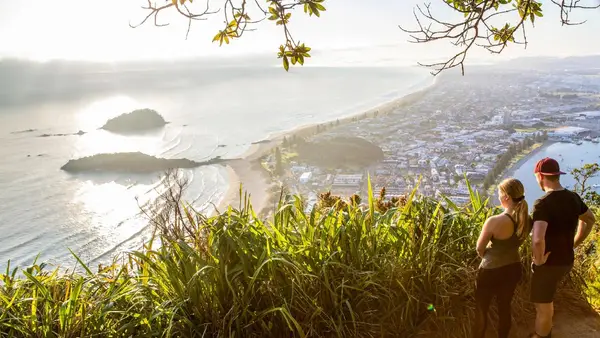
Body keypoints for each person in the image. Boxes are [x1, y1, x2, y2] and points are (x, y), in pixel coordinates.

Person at [530, 158, 597, 338]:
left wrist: (538, 261)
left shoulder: (542, 204)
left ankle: (541, 335)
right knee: (548, 300)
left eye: (536, 176)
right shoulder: (573, 198)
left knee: (542, 306)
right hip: (566, 261)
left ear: (541, 176)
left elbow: (537, 239)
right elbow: (590, 219)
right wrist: (574, 243)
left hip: (549, 264)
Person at [473, 178, 531, 338]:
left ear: (506, 197)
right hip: (513, 268)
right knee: (505, 307)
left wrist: (489, 258)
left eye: (499, 193)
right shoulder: (526, 219)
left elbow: (479, 248)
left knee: (481, 310)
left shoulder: (494, 221)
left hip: (490, 271)